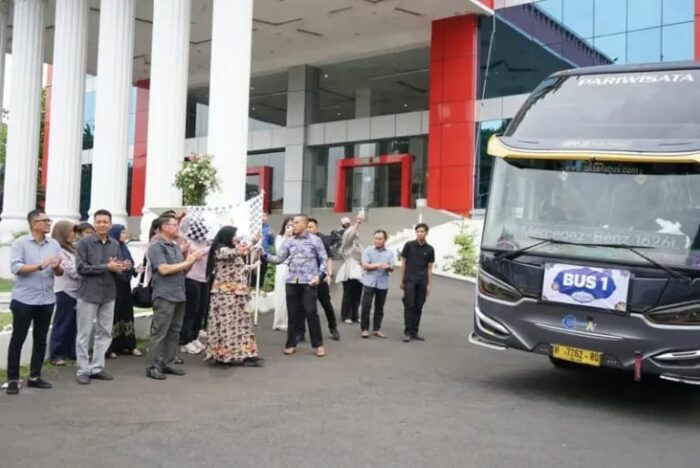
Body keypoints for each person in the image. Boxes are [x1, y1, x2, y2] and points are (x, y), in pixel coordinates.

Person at [5, 210, 63, 395]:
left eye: (49, 220)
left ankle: (35, 376)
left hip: (46, 299)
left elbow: (60, 272)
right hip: (24, 299)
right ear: (33, 223)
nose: (48, 223)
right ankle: (13, 379)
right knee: (18, 338)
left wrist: (57, 267)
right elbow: (15, 267)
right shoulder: (20, 243)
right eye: (45, 220)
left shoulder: (54, 244)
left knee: (40, 339)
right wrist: (40, 266)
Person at [145, 216, 204, 380]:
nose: (178, 227)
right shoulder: (156, 246)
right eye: (174, 225)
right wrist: (186, 262)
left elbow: (183, 271)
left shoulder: (175, 246)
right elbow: (163, 269)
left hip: (179, 292)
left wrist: (191, 261)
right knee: (160, 331)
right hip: (164, 293)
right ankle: (154, 365)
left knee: (174, 330)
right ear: (164, 227)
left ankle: (168, 362)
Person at [266, 214, 328, 357]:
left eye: (297, 223)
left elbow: (324, 260)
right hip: (292, 281)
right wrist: (264, 255)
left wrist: (320, 276)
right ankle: (291, 344)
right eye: (292, 223)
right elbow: (279, 258)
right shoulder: (289, 241)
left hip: (309, 281)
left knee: (311, 312)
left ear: (305, 224)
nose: (293, 225)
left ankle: (318, 345)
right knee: (293, 314)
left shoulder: (315, 240)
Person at [75, 209, 125, 385]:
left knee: (104, 333)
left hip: (108, 293)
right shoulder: (84, 243)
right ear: (94, 223)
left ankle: (97, 367)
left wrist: (120, 268)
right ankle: (83, 370)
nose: (102, 225)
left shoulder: (115, 244)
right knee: (84, 333)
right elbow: (81, 268)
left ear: (110, 224)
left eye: (105, 222)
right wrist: (106, 267)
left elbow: (117, 266)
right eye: (99, 222)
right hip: (88, 293)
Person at [204, 226, 265, 367]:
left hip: (237, 293)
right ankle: (221, 356)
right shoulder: (221, 250)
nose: (236, 238)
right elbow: (238, 251)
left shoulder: (229, 250)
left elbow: (238, 268)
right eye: (234, 235)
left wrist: (253, 266)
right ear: (227, 236)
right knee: (225, 326)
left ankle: (246, 354)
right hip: (224, 295)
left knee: (241, 325)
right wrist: (253, 241)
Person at [107, 224, 143, 357]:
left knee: (127, 313)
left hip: (125, 285)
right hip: (114, 285)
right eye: (122, 233)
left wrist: (134, 269)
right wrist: (120, 266)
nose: (125, 235)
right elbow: (108, 265)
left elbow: (129, 264)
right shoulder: (110, 248)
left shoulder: (124, 248)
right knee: (115, 314)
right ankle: (112, 347)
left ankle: (129, 345)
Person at [179, 215, 211, 355]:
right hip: (191, 278)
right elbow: (196, 254)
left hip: (204, 278)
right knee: (190, 311)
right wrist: (210, 248)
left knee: (200, 311)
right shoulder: (186, 239)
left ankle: (194, 336)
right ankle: (185, 340)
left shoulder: (206, 239)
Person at [49, 220, 79, 366]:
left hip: (77, 291)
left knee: (74, 323)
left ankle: (71, 351)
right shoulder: (58, 251)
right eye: (71, 231)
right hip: (64, 290)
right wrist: (87, 270)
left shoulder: (72, 249)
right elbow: (72, 271)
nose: (73, 234)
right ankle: (56, 354)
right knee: (62, 322)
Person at [306, 218, 340, 341]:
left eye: (311, 227)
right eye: (307, 227)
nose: (308, 229)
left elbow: (328, 258)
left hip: (320, 277)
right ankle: (300, 332)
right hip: (306, 279)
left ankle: (333, 328)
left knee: (326, 304)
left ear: (316, 228)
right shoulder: (301, 240)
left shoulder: (322, 241)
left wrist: (329, 275)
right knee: (305, 307)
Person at [400, 223, 435, 343]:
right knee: (409, 304)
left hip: (422, 281)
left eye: (422, 231)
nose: (419, 233)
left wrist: (429, 285)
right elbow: (403, 263)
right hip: (410, 279)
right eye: (418, 231)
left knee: (419, 306)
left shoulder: (430, 249)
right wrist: (402, 280)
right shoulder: (409, 245)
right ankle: (407, 332)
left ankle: (415, 331)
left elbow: (429, 268)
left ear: (426, 233)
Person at [360, 230, 394, 339]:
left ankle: (377, 329)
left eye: (380, 238)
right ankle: (365, 329)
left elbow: (392, 267)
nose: (377, 240)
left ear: (385, 240)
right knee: (366, 306)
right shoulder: (368, 251)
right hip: (369, 282)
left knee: (379, 308)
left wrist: (388, 267)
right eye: (376, 238)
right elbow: (365, 266)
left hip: (382, 283)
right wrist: (378, 265)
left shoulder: (389, 253)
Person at [336, 214, 365, 324]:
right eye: (345, 224)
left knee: (357, 294)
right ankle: (346, 315)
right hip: (349, 270)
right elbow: (349, 236)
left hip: (359, 271)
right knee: (349, 294)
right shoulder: (347, 244)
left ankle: (355, 315)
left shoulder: (359, 246)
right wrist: (357, 223)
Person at [272, 217, 293, 331]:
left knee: (291, 296)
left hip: (293, 268)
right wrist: (286, 238)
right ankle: (280, 321)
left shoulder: (296, 238)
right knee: (281, 294)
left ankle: (290, 321)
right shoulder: (280, 238)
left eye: (292, 225)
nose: (290, 228)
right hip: (282, 267)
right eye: (288, 225)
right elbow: (279, 252)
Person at [250, 211, 275, 289]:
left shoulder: (268, 228)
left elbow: (271, 242)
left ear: (267, 217)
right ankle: (251, 286)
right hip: (253, 252)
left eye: (264, 216)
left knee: (263, 269)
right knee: (252, 269)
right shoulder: (253, 226)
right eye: (261, 216)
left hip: (264, 252)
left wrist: (271, 235)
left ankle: (260, 286)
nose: (262, 218)